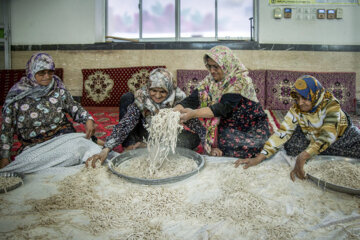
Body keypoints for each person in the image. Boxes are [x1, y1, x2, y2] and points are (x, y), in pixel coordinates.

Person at [235, 75, 360, 181]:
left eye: (305, 98)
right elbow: (282, 132)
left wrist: (303, 156)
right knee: (291, 145)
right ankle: (318, 151)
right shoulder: (297, 108)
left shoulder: (331, 105)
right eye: (297, 98)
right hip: (312, 135)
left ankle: (317, 151)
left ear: (315, 95)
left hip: (341, 137)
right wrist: (259, 158)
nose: (300, 103)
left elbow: (328, 135)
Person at [0, 52, 99, 173]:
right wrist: (5, 157)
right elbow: (7, 128)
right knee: (29, 163)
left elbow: (74, 107)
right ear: (31, 72)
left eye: (50, 72)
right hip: (35, 147)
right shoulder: (17, 96)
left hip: (63, 139)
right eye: (41, 73)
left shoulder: (57, 88)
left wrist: (88, 119)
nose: (47, 76)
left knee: (87, 149)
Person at [86, 68, 205, 168]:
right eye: (153, 90)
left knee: (194, 139)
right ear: (148, 88)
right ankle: (132, 145)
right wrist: (106, 149)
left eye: (163, 91)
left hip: (166, 137)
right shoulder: (142, 97)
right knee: (127, 98)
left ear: (169, 89)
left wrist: (210, 146)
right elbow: (127, 122)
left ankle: (148, 147)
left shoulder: (179, 100)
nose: (157, 96)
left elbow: (195, 124)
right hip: (144, 131)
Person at [174, 45, 270, 157]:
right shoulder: (210, 80)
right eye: (209, 66)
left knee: (231, 143)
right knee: (193, 122)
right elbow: (193, 99)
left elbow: (223, 108)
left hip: (248, 126)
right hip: (226, 122)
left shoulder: (240, 81)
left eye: (216, 67)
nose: (212, 71)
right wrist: (175, 110)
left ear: (226, 65)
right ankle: (206, 141)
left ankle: (211, 142)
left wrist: (194, 113)